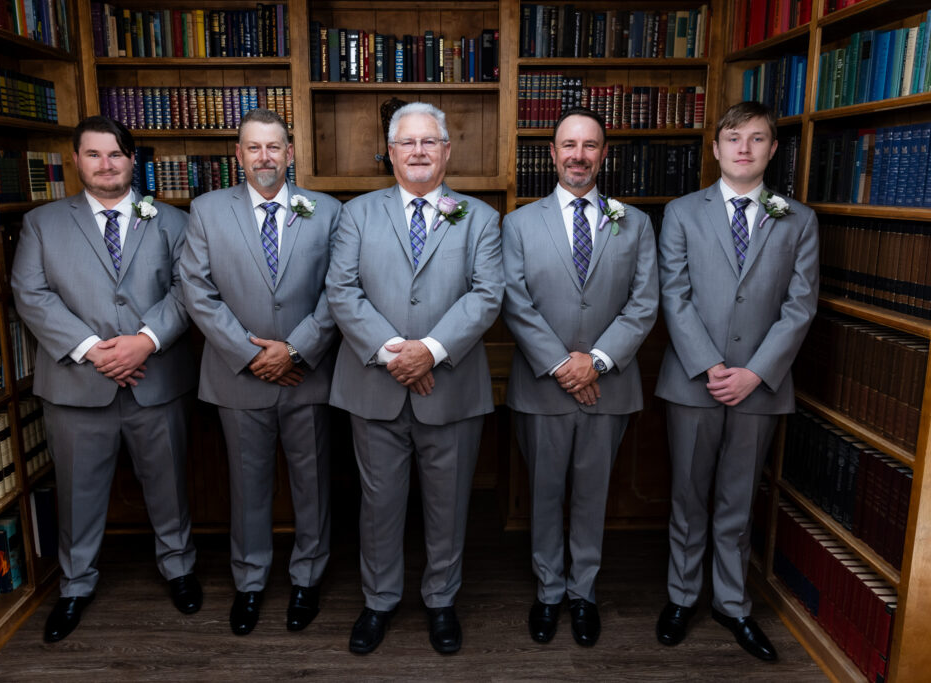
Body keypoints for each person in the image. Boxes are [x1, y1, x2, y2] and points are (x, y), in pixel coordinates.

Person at [325, 101, 504, 655]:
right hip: (374, 387)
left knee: (448, 504)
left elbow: (486, 293)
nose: (419, 151)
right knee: (378, 504)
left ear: (446, 151)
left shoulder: (480, 217)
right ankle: (378, 601)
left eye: (430, 141)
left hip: (451, 387)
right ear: (392, 153)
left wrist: (429, 350)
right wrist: (391, 354)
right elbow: (342, 290)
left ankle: (441, 601)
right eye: (408, 142)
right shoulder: (356, 214)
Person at [11, 116, 199, 643]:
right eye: (94, 155)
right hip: (75, 385)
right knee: (77, 492)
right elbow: (31, 294)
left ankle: (179, 569)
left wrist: (145, 341)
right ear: (77, 160)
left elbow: (189, 291)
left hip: (157, 378)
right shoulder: (42, 223)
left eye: (116, 154)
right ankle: (75, 586)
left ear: (132, 159)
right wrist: (94, 350)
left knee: (169, 485)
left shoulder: (172, 221)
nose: (106, 164)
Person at [654, 101, 819, 661]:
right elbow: (672, 296)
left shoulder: (797, 218)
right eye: (733, 138)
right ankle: (680, 596)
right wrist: (708, 365)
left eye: (757, 139)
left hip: (761, 386)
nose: (743, 148)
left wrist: (754, 373)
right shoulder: (681, 212)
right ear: (717, 148)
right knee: (688, 496)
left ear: (773, 149)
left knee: (737, 501)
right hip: (692, 381)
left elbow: (799, 307)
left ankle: (731, 603)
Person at [180, 109, 341, 636]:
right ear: (239, 156)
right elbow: (196, 292)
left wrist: (294, 351)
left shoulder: (328, 211)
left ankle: (307, 580)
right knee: (246, 486)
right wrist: (253, 357)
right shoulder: (205, 211)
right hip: (237, 376)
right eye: (254, 148)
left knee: (312, 483)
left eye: (274, 147)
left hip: (309, 374)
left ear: (290, 153)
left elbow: (338, 293)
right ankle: (249, 583)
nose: (265, 158)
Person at [501, 107, 658, 647]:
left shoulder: (634, 222)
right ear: (552, 153)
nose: (578, 155)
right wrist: (564, 365)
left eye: (590, 146)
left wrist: (597, 361)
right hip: (542, 385)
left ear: (604, 154)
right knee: (545, 494)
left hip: (608, 386)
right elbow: (515, 303)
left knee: (593, 496)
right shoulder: (519, 223)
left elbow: (644, 305)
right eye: (569, 145)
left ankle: (582, 592)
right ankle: (548, 592)